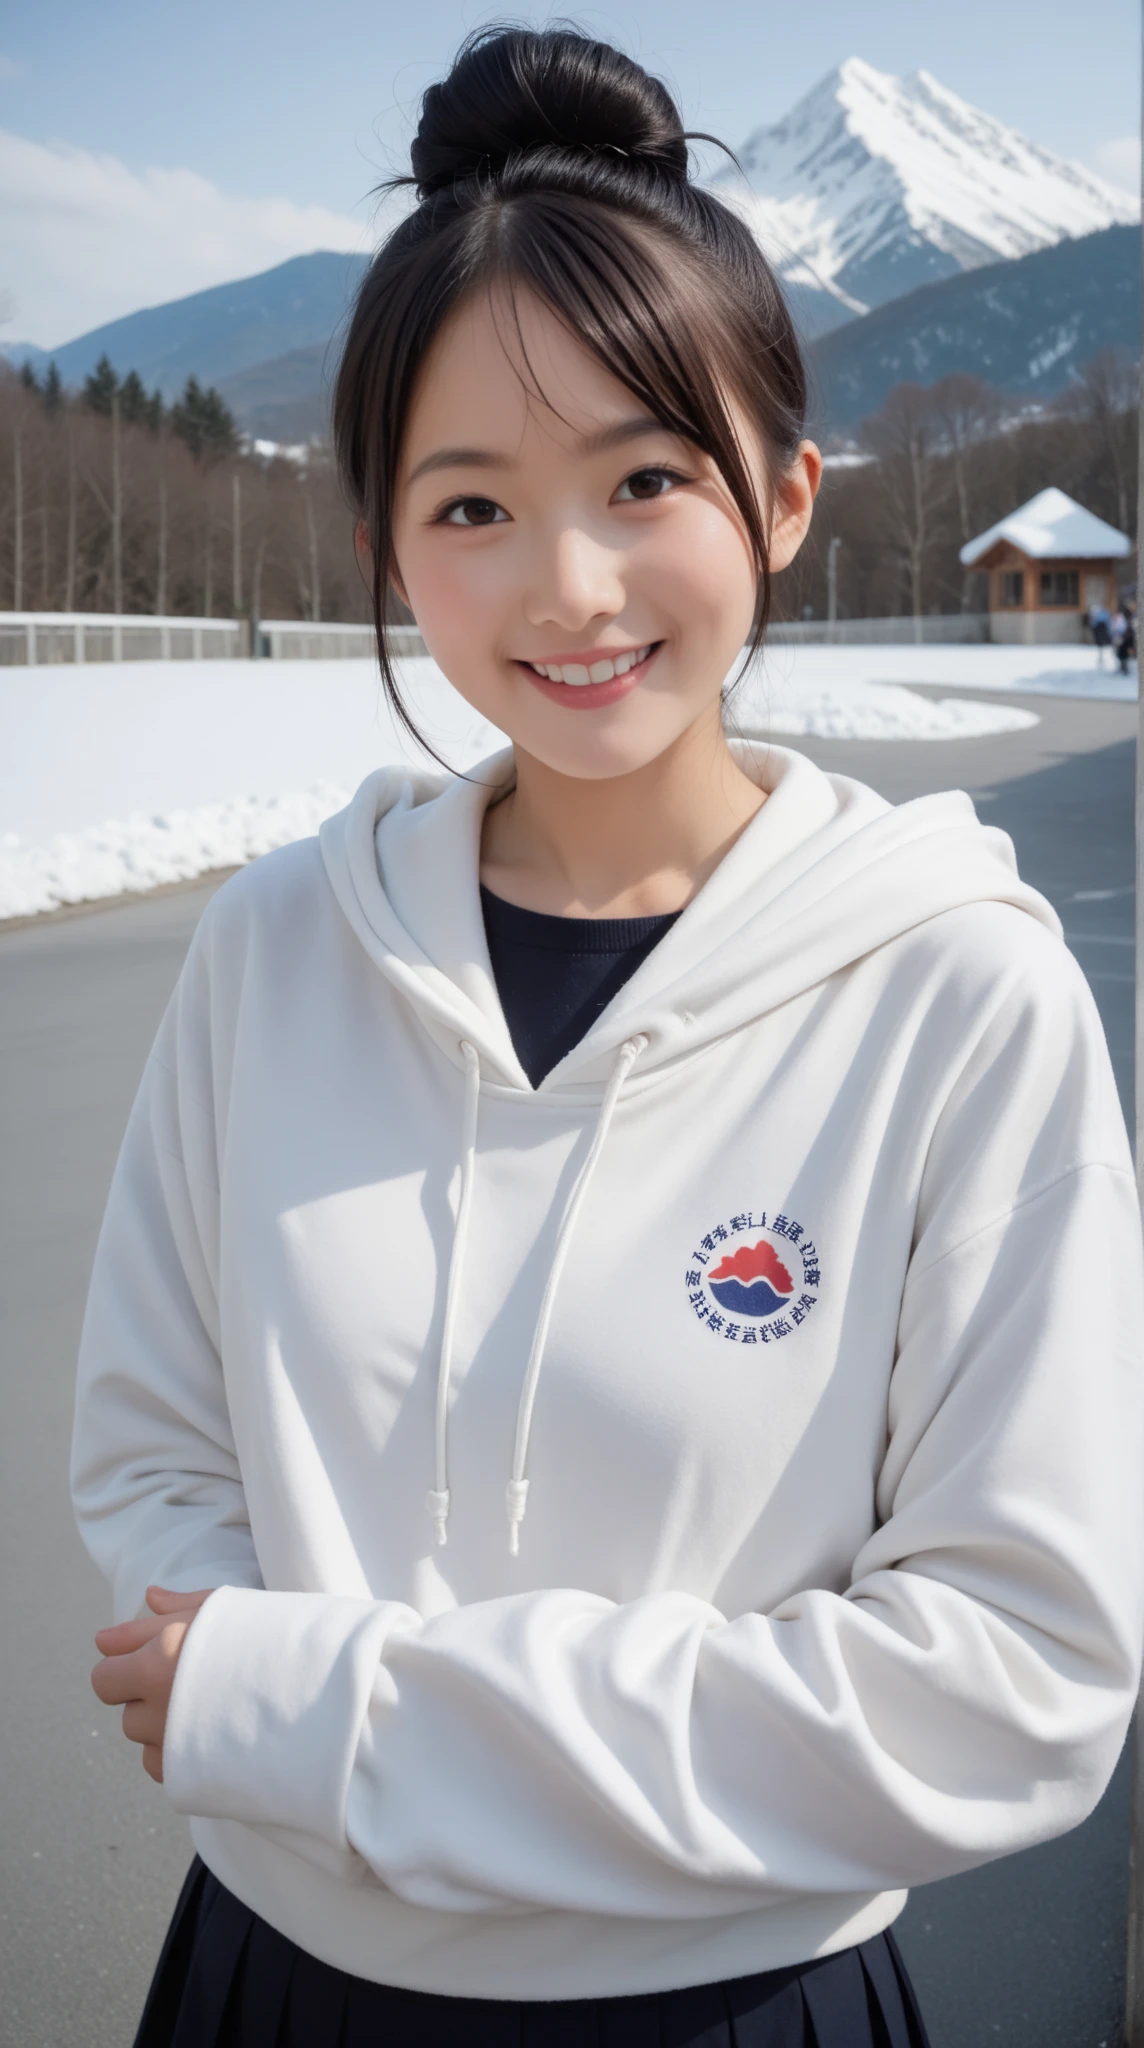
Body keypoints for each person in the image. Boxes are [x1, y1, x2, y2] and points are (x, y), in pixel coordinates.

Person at [73, 28, 1144, 2048]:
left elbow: (1014, 1679)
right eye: (467, 504)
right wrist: (273, 1703)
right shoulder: (274, 947)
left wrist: (323, 1709)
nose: (565, 588)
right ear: (388, 541)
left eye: (644, 479)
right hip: (280, 1983)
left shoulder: (948, 992)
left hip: (742, 2005)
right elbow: (152, 1442)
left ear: (784, 495)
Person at [1111, 603, 1136, 677]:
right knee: (1120, 653)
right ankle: (1122, 667)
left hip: (1125, 639)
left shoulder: (1125, 619)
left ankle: (1124, 667)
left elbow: (1125, 629)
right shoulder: (1121, 619)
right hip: (1121, 638)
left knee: (1124, 653)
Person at [1088, 601, 1113, 666]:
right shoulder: (1098, 613)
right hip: (1099, 631)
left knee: (1104, 645)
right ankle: (1101, 658)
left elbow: (1108, 622)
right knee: (1101, 645)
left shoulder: (1105, 613)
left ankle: (1105, 658)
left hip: (1102, 630)